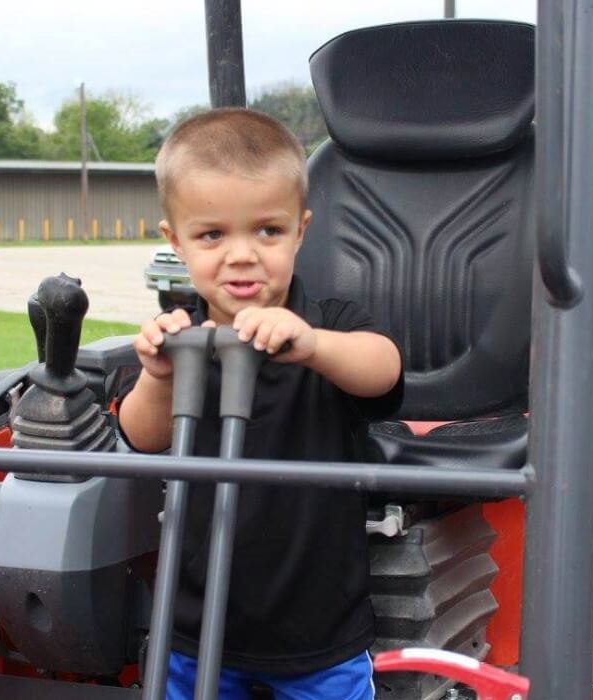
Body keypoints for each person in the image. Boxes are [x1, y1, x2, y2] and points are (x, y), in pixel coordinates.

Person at [117, 107, 403, 699]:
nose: (243, 254)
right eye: (212, 234)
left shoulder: (333, 328)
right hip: (197, 631)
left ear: (301, 230)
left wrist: (313, 345)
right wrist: (159, 376)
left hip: (318, 632)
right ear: (176, 242)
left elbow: (383, 369)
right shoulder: (180, 340)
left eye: (267, 231)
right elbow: (140, 436)